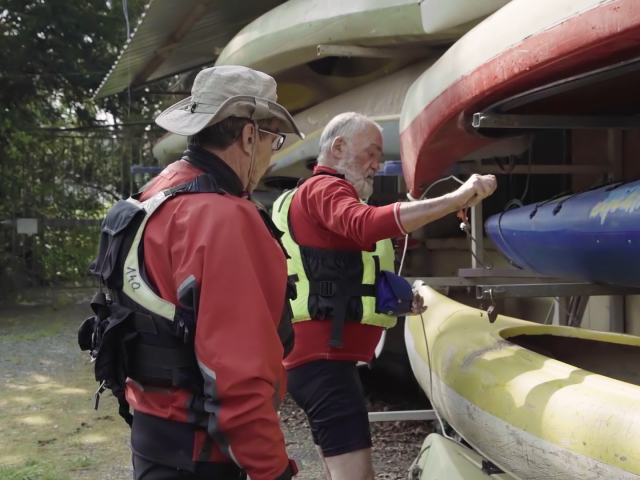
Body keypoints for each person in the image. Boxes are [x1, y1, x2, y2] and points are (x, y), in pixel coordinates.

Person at [81, 66, 304, 480]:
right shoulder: (222, 218)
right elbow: (238, 377)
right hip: (204, 455)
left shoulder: (150, 199)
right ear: (249, 136)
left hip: (151, 445)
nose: (273, 154)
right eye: (274, 139)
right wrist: (272, 471)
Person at [271, 112, 497, 480]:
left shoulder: (314, 195)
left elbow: (336, 270)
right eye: (371, 153)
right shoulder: (325, 188)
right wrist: (454, 198)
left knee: (337, 470)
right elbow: (363, 226)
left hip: (318, 360)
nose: (378, 164)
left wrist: (395, 299)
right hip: (324, 363)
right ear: (339, 147)